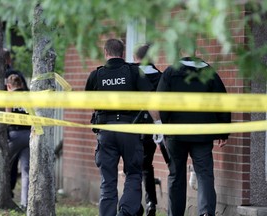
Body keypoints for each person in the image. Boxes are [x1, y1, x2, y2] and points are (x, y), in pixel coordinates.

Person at [85, 38, 162, 216]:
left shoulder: (96, 75)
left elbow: (89, 101)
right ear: (123, 52)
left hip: (106, 132)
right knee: (134, 174)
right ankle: (126, 213)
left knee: (108, 180)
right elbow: (150, 100)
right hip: (130, 130)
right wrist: (158, 124)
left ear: (105, 52)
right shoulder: (134, 72)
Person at [156, 54, 231, 216]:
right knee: (204, 174)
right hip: (202, 134)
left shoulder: (170, 72)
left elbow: (161, 102)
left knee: (176, 175)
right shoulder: (209, 72)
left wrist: (163, 127)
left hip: (176, 134)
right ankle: (206, 213)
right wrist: (224, 131)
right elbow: (222, 101)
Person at [134, 44, 161, 216]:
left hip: (133, 125)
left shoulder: (131, 74)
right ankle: (151, 202)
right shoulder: (161, 75)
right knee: (147, 165)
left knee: (133, 166)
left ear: (137, 57)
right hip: (153, 126)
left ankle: (136, 205)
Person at [6, 74, 31, 210]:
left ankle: (6, 194)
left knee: (4, 165)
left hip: (14, 135)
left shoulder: (9, 97)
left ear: (9, 86)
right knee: (26, 170)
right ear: (21, 84)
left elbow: (8, 118)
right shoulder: (28, 96)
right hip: (28, 135)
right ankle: (25, 203)